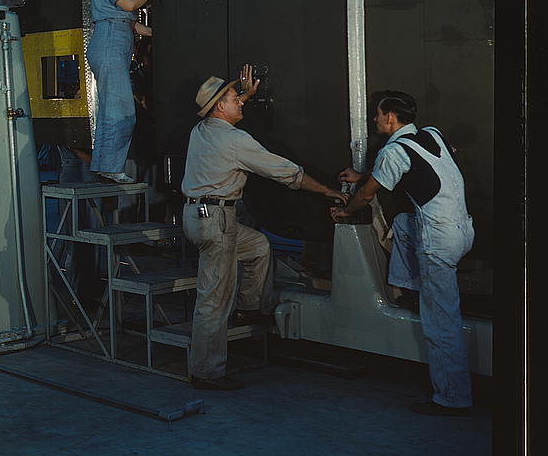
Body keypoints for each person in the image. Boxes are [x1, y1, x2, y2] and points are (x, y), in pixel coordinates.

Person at [182, 67, 347, 390]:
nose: (241, 104)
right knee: (214, 299)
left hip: (198, 217)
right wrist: (327, 191)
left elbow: (225, 112)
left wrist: (245, 95)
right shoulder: (234, 140)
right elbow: (286, 173)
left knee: (258, 246)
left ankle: (248, 309)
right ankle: (206, 371)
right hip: (217, 222)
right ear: (220, 107)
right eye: (235, 100)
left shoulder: (201, 130)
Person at [331, 91, 475, 416]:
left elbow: (366, 197)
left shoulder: (392, 150)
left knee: (441, 321)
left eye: (378, 115)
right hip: (462, 229)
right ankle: (409, 286)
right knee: (404, 222)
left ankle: (452, 398)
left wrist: (346, 212)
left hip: (439, 240)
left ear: (391, 118)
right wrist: (364, 175)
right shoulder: (432, 134)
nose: (374, 119)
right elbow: (418, 171)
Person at [87, 0, 155, 183]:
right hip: (110, 46)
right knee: (123, 112)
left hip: (111, 45)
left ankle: (105, 165)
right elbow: (128, 6)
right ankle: (112, 167)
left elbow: (132, 24)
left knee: (111, 110)